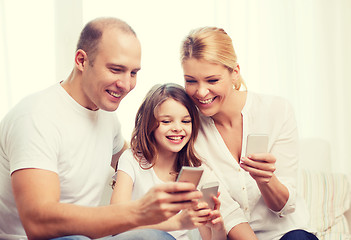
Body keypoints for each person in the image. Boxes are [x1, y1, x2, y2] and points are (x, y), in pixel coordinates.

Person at [0, 17, 202, 240]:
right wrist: (139, 212)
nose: (126, 85)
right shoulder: (35, 117)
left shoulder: (106, 118)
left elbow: (135, 157)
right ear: (81, 60)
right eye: (116, 69)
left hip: (88, 237)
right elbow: (38, 224)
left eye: (133, 73)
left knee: (156, 236)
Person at [180, 27, 319, 240]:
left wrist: (266, 180)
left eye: (212, 80)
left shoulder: (277, 111)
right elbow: (225, 210)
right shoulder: (189, 130)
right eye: (191, 81)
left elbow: (285, 207)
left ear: (235, 72)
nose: (200, 92)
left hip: (286, 234)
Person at [110, 83, 258, 240]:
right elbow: (116, 224)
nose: (177, 128)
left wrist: (217, 228)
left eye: (186, 121)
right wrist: (176, 223)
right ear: (149, 124)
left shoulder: (196, 169)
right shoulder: (132, 159)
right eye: (167, 121)